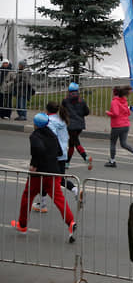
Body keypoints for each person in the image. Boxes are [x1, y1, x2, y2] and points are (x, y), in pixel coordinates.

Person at [11, 113, 77, 243]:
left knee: (27, 197)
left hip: (39, 173)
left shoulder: (35, 136)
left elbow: (39, 149)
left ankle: (22, 225)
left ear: (36, 124)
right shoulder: (52, 134)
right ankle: (70, 222)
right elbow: (59, 152)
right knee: (59, 199)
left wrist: (34, 165)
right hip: (53, 172)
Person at [32, 101, 78, 213]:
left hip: (53, 154)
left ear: (47, 110)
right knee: (59, 178)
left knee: (44, 178)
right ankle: (75, 190)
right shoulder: (62, 119)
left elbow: (50, 138)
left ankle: (42, 204)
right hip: (63, 153)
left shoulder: (49, 121)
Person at [105, 86, 133, 167]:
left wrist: (108, 113)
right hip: (125, 125)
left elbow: (116, 113)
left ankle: (112, 161)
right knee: (123, 143)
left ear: (114, 93)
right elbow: (128, 113)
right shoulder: (124, 101)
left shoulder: (114, 102)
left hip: (117, 125)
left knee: (113, 143)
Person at [62, 82, 92, 169]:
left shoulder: (65, 100)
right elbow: (87, 112)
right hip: (80, 125)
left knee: (75, 142)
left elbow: (62, 111)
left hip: (70, 125)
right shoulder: (81, 100)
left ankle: (86, 157)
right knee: (71, 143)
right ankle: (67, 163)